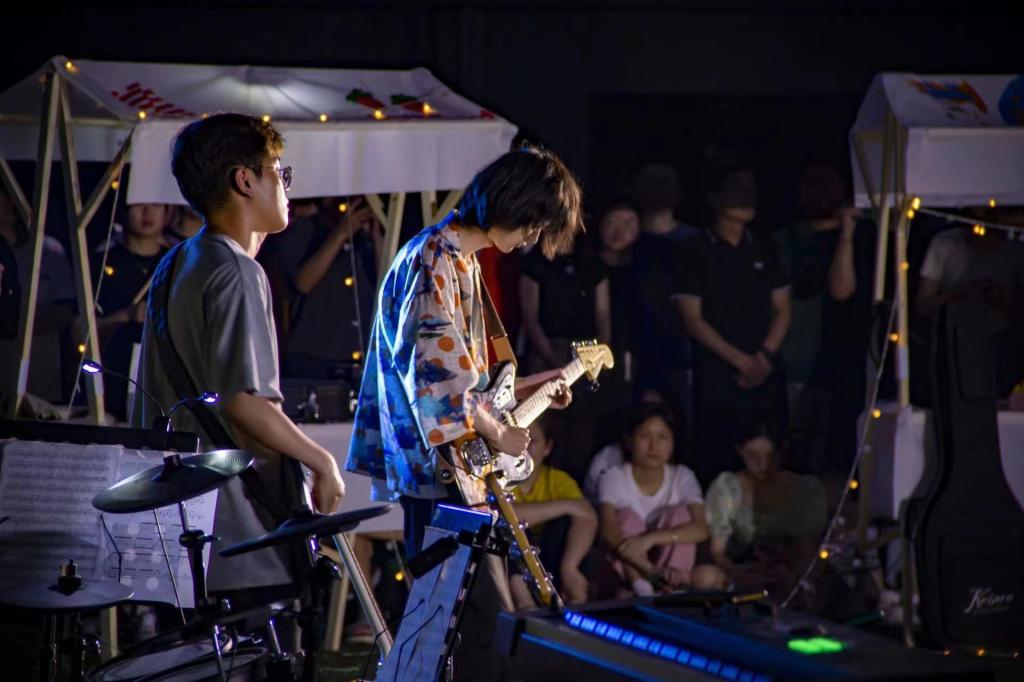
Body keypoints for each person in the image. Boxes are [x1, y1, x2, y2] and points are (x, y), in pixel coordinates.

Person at [346, 145, 583, 681]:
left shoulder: (456, 259)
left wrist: (535, 387)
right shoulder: (435, 259)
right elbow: (438, 383)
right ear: (516, 205)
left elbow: (466, 378)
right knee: (472, 628)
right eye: (534, 223)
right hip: (442, 475)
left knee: (441, 630)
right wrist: (501, 433)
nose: (532, 237)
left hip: (450, 473)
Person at [133, 113, 344, 610]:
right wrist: (322, 461)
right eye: (280, 173)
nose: (286, 188)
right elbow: (243, 402)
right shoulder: (237, 271)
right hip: (238, 532)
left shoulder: (178, 261)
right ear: (245, 180)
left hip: (180, 522)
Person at [674, 159, 791, 486]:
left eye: (751, 188)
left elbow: (783, 309)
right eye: (737, 188)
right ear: (714, 197)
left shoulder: (765, 245)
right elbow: (692, 319)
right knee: (717, 460)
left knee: (769, 456)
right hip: (718, 373)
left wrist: (763, 357)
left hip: (765, 370)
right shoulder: (694, 249)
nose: (747, 196)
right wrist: (741, 362)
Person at [595, 404, 720, 598]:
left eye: (662, 437)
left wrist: (650, 539)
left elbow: (701, 528)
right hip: (629, 572)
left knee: (680, 515)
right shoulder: (613, 476)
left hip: (670, 572)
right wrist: (649, 570)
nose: (653, 446)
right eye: (645, 436)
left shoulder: (682, 476)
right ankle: (642, 589)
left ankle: (674, 586)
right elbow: (609, 531)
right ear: (629, 441)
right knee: (627, 518)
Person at [705, 420, 826, 600]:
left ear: (783, 450)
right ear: (739, 451)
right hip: (740, 572)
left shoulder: (804, 489)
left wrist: (792, 580)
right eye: (753, 455)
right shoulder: (727, 488)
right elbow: (718, 552)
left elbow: (806, 549)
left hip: (790, 573)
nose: (763, 464)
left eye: (771, 456)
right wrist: (742, 577)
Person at [91, 202, 172, 420]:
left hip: (163, 378)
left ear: (168, 212)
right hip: (111, 378)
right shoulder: (102, 262)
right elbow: (78, 332)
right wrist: (126, 315)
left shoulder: (177, 262)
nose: (148, 212)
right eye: (138, 205)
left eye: (156, 205)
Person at [508, 417, 597, 608]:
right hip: (513, 565)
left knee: (566, 527)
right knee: (511, 532)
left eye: (532, 441)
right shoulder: (501, 479)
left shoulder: (558, 480)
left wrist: (569, 567)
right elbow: (507, 517)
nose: (524, 448)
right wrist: (565, 506)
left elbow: (587, 517)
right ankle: (526, 605)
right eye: (518, 439)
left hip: (550, 560)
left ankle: (573, 598)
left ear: (547, 447)